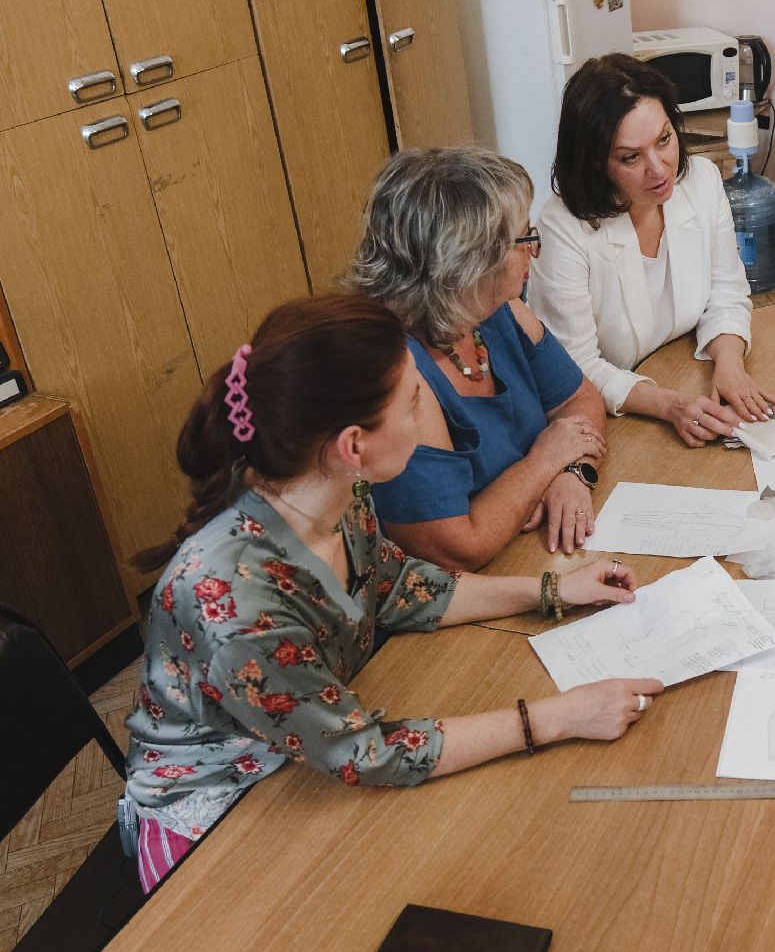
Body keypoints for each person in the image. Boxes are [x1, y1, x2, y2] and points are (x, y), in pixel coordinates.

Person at [124, 295, 661, 894]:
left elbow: (399, 587)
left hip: (311, 748)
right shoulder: (240, 603)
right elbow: (365, 754)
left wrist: (552, 588)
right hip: (225, 808)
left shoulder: (332, 490)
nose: (425, 413)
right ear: (354, 444)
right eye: (414, 403)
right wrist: (557, 717)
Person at [350, 147, 607, 569]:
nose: (535, 249)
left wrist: (572, 473)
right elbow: (456, 548)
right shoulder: (395, 369)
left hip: (526, 555)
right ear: (466, 261)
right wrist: (545, 460)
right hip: (452, 609)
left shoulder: (500, 310)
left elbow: (579, 402)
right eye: (523, 238)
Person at [533, 53, 775, 447]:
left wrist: (730, 366)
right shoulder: (563, 227)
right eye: (631, 157)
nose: (660, 169)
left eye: (665, 140)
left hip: (680, 368)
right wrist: (671, 406)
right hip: (610, 412)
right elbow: (573, 367)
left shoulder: (701, 181)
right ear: (594, 163)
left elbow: (727, 292)